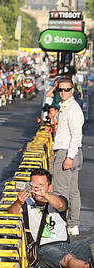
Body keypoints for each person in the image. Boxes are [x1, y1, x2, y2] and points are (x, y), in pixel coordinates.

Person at [51, 74, 84, 236]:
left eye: (67, 90)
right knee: (72, 191)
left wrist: (69, 157)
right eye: (61, 90)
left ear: (72, 91)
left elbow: (76, 134)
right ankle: (72, 225)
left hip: (67, 151)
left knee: (61, 190)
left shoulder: (73, 109)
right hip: (69, 151)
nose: (63, 92)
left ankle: (61, 225)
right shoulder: (66, 107)